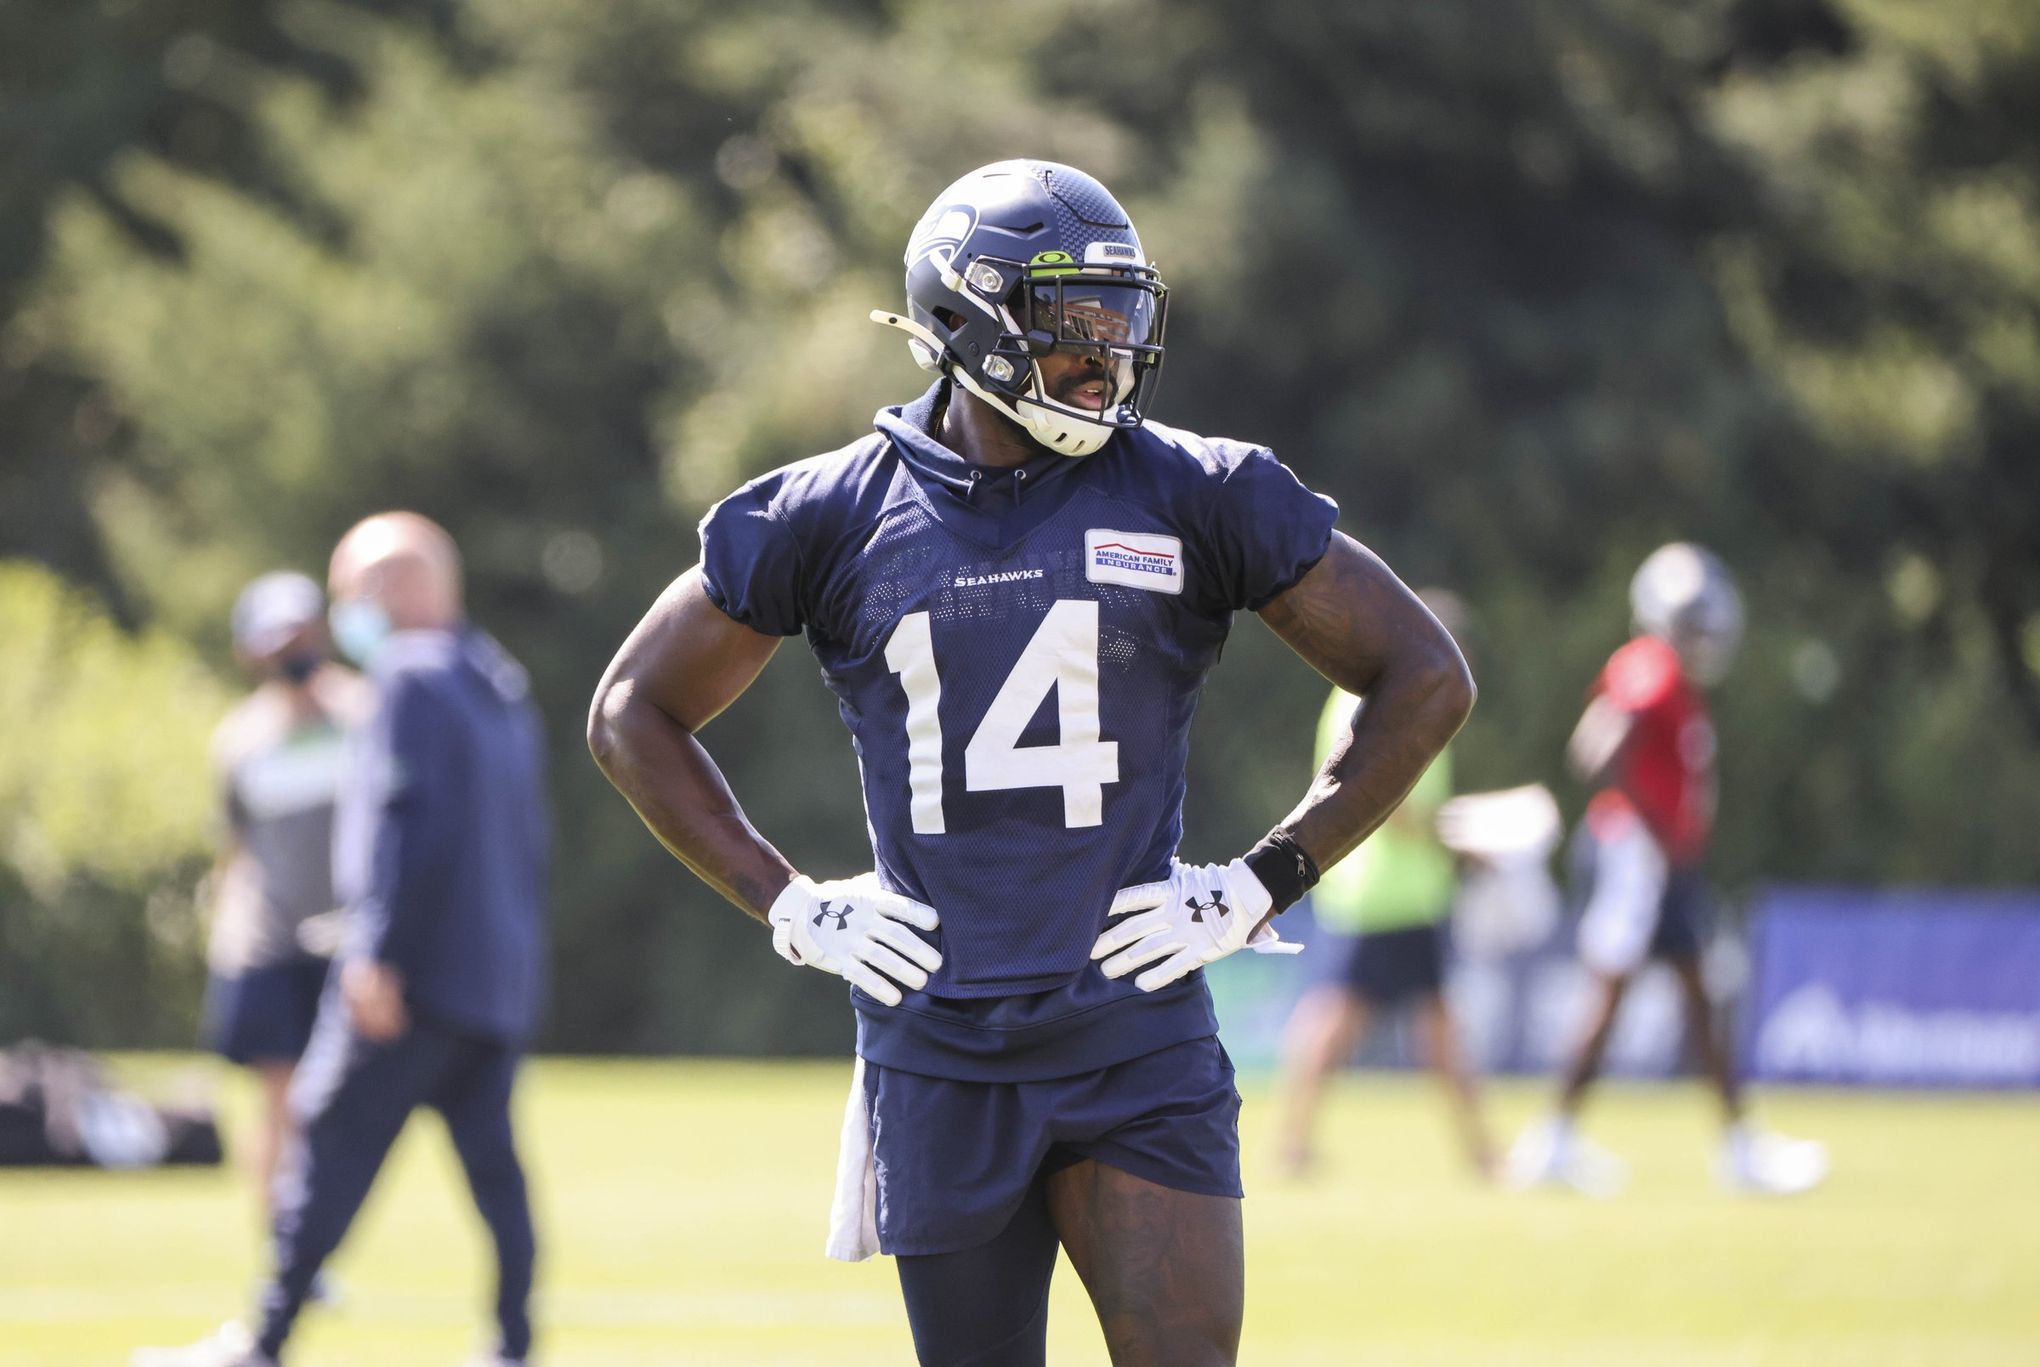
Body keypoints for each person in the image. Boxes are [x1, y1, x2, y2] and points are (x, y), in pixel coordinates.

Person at [588, 159, 1474, 1366]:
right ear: (968, 322)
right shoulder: (832, 511)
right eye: (1074, 325)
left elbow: (1426, 676)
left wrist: (1266, 877)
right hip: (940, 1040)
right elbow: (632, 708)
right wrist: (788, 901)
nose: (1106, 356)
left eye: (1122, 320)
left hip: (1133, 1026)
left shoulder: (1198, 491)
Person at [137, 513, 550, 1367]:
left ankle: (264, 1338)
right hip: (494, 977)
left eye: (348, 589)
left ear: (391, 586)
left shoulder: (407, 675)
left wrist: (377, 955)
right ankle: (512, 1345)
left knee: (326, 1138)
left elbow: (407, 824)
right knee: (495, 1173)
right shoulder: (494, 679)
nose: (342, 613)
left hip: (416, 980)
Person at [1505, 543, 1826, 1197]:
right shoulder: (1652, 666)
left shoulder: (1668, 672)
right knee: (1619, 996)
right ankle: (1556, 1141)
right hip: (1637, 858)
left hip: (1651, 858)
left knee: (1695, 999)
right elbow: (1596, 749)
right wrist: (1654, 826)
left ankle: (1733, 1145)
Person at [1272, 591, 1495, 1181]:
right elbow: (1388, 799)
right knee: (1355, 1019)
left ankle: (1294, 1143)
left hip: (1370, 884)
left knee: (1381, 1017)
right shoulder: (1396, 694)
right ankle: (1481, 1153)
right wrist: (1459, 844)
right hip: (1389, 890)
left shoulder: (1352, 692)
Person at [203, 572, 365, 1254]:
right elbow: (234, 848)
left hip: (351, 942)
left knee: (339, 1108)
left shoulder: (365, 713)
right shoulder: (240, 739)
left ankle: (315, 1240)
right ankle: (285, 1247)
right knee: (280, 1099)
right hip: (268, 943)